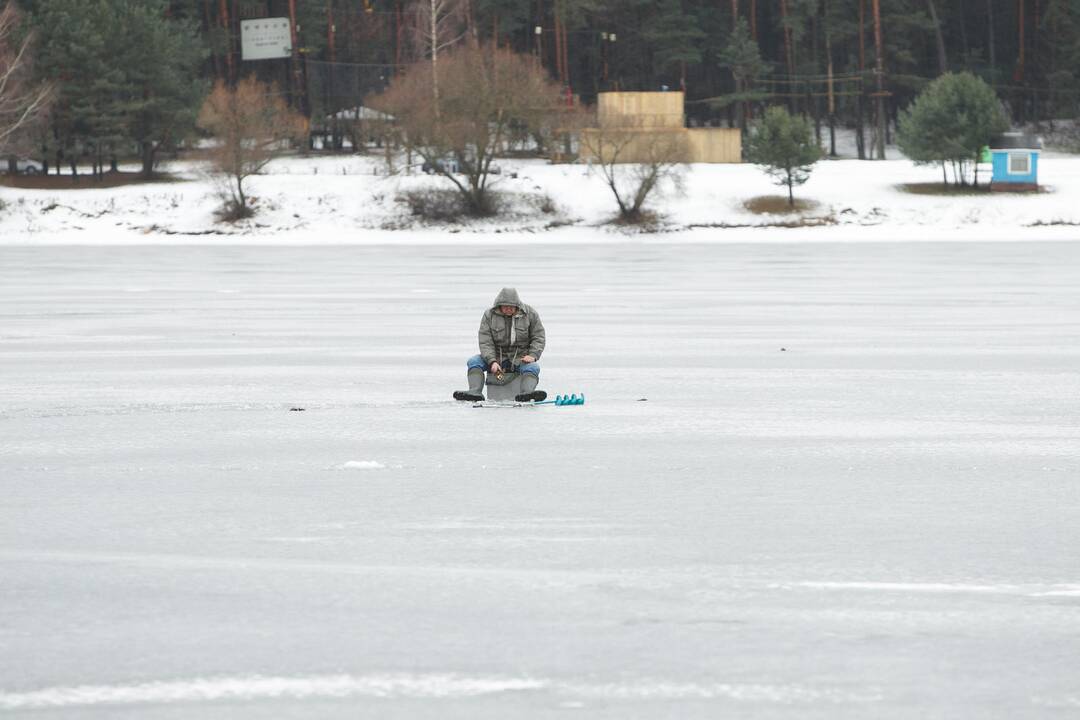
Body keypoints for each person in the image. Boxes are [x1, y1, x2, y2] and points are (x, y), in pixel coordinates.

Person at [454, 288, 547, 402]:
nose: (508, 309)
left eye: (511, 307)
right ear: (499, 305)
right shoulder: (489, 315)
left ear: (517, 305)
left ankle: (527, 393)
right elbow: (485, 341)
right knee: (474, 361)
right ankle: (475, 391)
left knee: (533, 367)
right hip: (496, 357)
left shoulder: (530, 314)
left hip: (520, 358)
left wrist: (533, 355)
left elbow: (539, 337)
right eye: (505, 306)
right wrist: (492, 361)